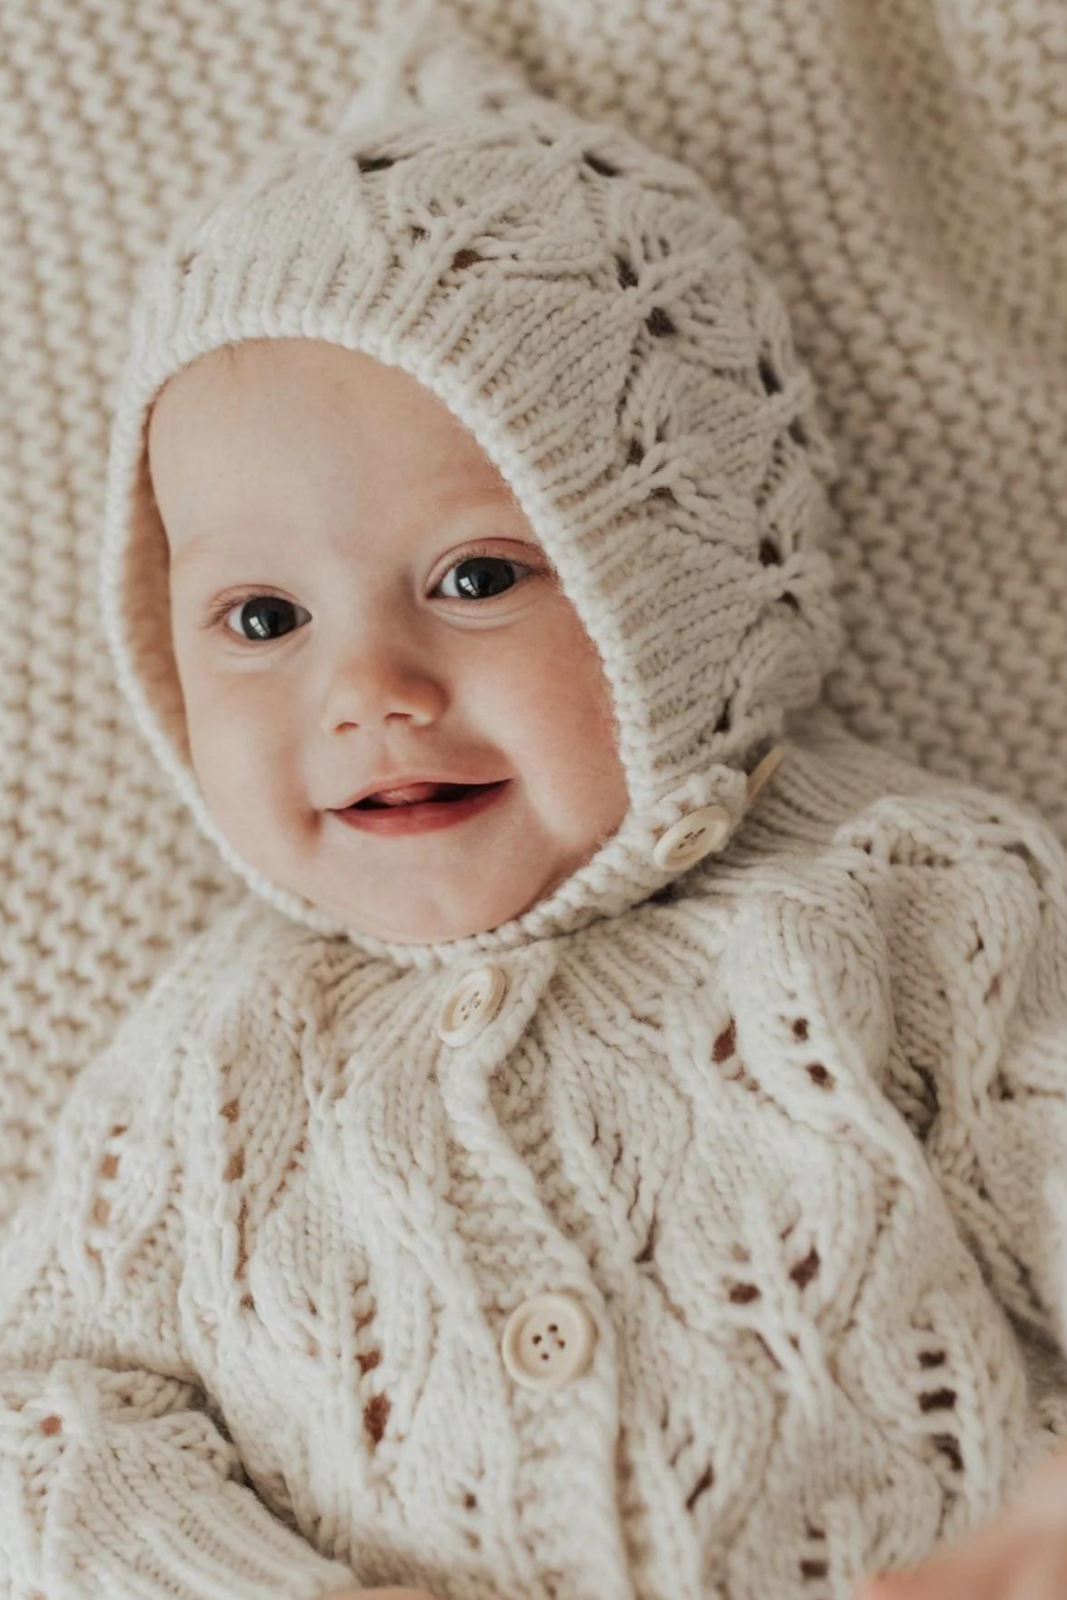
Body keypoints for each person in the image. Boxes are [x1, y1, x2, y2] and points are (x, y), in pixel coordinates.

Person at [3, 4, 1067, 1598]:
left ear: (690, 582)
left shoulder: (912, 908)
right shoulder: (210, 1067)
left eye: (473, 577)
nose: (369, 689)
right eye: (262, 620)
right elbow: (53, 1420)